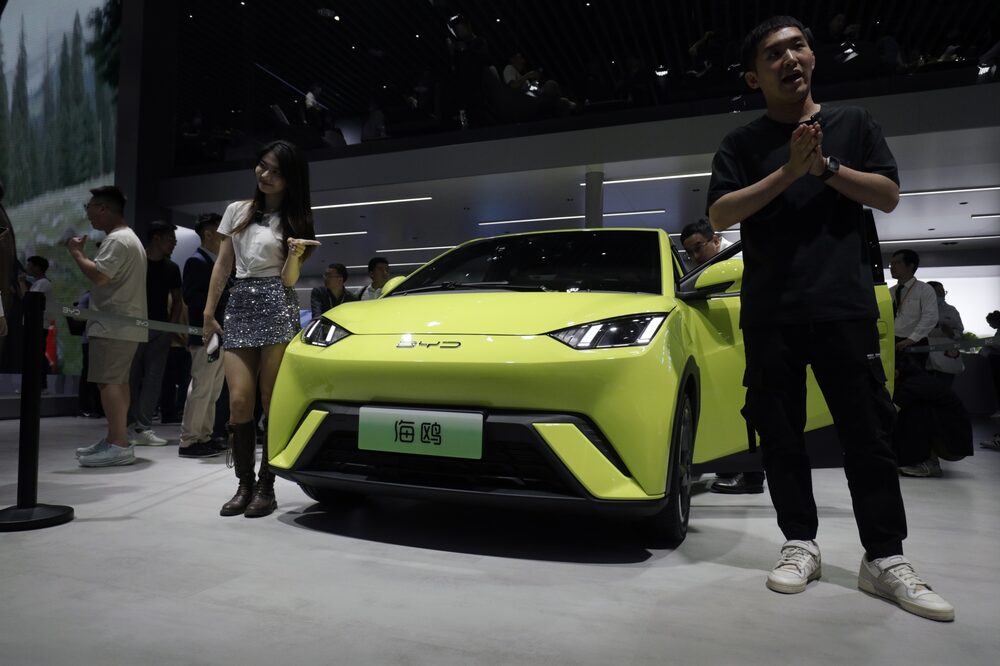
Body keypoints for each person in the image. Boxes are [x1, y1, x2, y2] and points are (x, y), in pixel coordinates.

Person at [707, 16, 953, 621]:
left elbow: (888, 195)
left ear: (812, 57)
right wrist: (789, 170)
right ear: (753, 75)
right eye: (774, 53)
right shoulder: (740, 144)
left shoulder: (855, 124)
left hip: (844, 306)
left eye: (798, 46)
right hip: (771, 313)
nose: (790, 58)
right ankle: (800, 542)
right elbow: (718, 215)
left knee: (867, 434)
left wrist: (824, 168)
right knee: (781, 434)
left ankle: (884, 558)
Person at [202, 140, 318, 518]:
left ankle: (266, 487)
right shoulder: (237, 211)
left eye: (276, 171)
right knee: (238, 402)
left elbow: (289, 279)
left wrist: (297, 254)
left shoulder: (297, 219)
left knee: (270, 402)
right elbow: (222, 265)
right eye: (262, 166)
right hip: (239, 304)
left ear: (290, 179)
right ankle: (244, 484)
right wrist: (208, 312)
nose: (265, 176)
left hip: (277, 303)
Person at [681, 219, 763, 495]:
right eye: (689, 252)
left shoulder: (737, 260)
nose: (694, 256)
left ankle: (751, 476)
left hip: (748, 340)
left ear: (715, 239)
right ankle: (730, 468)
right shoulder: (705, 264)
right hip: (724, 341)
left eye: (698, 247)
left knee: (748, 403)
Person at [69, 186, 148, 467]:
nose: (88, 215)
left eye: (89, 208)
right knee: (117, 381)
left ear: (103, 208)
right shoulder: (130, 239)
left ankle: (119, 444)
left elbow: (100, 277)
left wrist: (77, 253)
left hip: (114, 323)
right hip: (123, 324)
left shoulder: (118, 240)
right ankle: (116, 437)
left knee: (109, 382)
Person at [179, 213, 230, 459]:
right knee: (202, 386)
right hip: (206, 335)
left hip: (217, 335)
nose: (225, 237)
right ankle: (189, 440)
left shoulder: (217, 262)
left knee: (213, 388)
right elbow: (193, 299)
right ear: (209, 233)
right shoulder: (197, 262)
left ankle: (204, 437)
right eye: (221, 232)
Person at [126, 221, 182, 446]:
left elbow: (178, 300)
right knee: (129, 378)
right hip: (133, 326)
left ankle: (143, 426)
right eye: (171, 240)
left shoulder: (172, 268)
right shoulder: (137, 263)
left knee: (153, 379)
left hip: (160, 329)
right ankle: (128, 425)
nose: (174, 244)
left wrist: (171, 329)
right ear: (156, 238)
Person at [889, 248, 937, 372]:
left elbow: (930, 317)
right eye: (891, 264)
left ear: (910, 266)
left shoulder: (924, 289)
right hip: (893, 343)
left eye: (897, 263)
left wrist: (911, 339)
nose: (892, 267)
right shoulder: (891, 291)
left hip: (915, 342)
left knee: (912, 382)